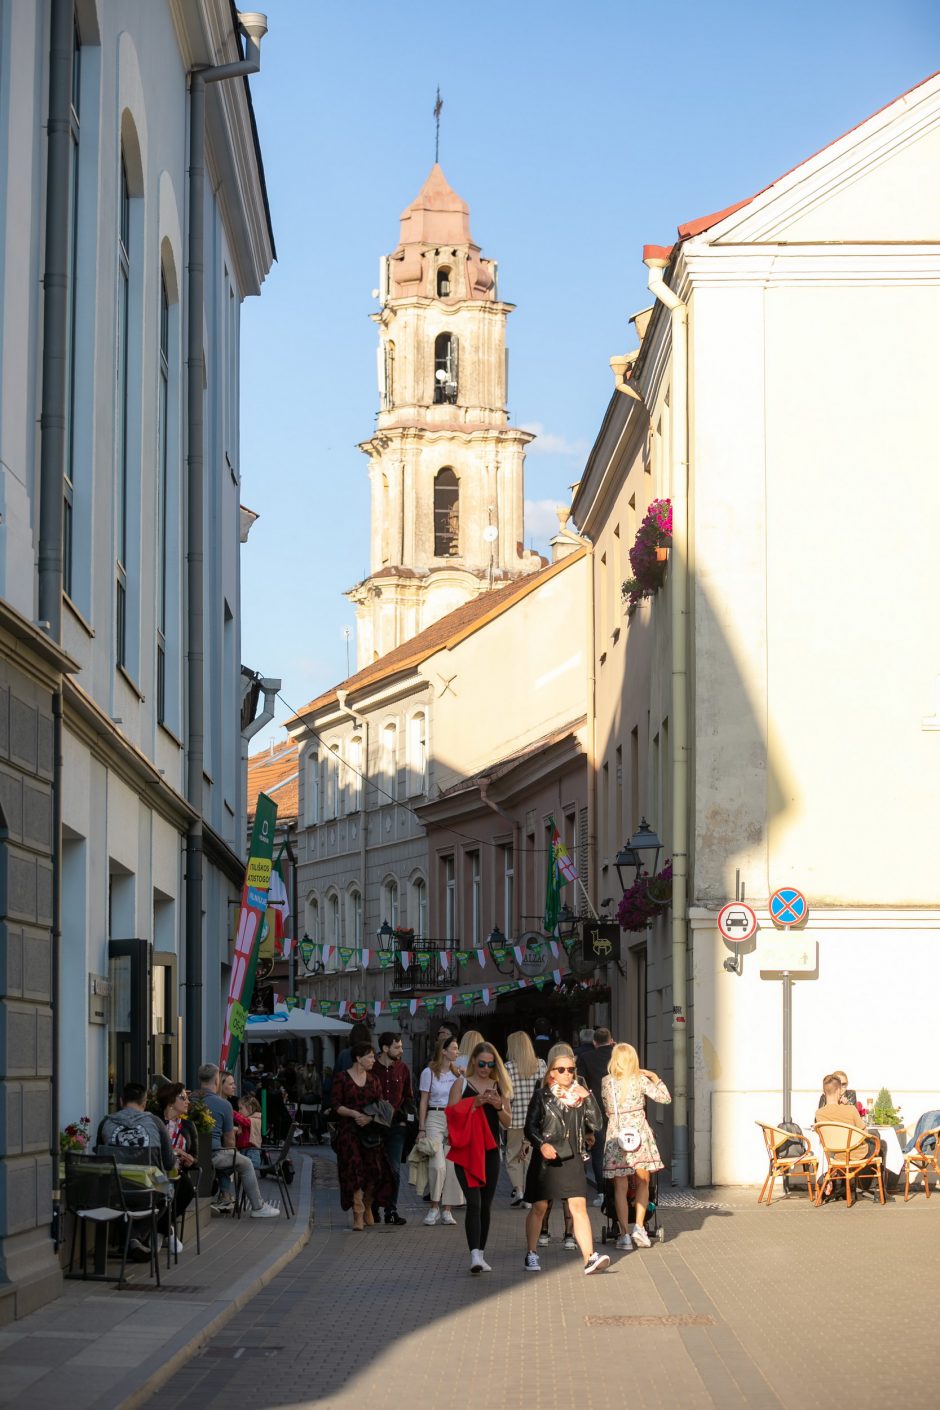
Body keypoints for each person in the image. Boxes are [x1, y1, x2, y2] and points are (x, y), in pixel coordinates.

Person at [522, 1043, 609, 1276]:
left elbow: (597, 1125)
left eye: (571, 1069)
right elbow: (529, 1128)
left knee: (578, 1206)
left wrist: (588, 1098)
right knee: (540, 1207)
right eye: (561, 1070)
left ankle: (589, 1257)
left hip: (572, 1157)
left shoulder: (580, 1095)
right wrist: (543, 1144)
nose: (567, 1074)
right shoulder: (542, 1096)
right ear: (551, 1072)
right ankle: (531, 1253)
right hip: (548, 1158)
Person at [447, 1042, 512, 1274]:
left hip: (491, 1151)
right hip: (466, 1152)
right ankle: (474, 1254)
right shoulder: (461, 1083)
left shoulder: (499, 1086)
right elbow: (451, 1115)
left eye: (490, 1064)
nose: (485, 1068)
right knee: (473, 1202)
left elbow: (507, 1122)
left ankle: (480, 1254)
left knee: (485, 1204)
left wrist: (497, 1106)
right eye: (482, 1063)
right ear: (473, 1060)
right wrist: (473, 1103)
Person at [602, 1042, 671, 1249]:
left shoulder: (606, 1082)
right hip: (639, 1134)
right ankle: (639, 1228)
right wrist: (655, 1077)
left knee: (620, 1187)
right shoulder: (640, 1080)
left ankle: (623, 1234)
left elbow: (607, 1108)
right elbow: (665, 1098)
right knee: (643, 1181)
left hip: (617, 1135)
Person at [195, 1063, 279, 1218]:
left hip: (193, 1155)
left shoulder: (191, 1099)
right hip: (213, 1154)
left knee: (230, 1160)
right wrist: (233, 1152)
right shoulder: (224, 1104)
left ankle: (225, 1196)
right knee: (244, 1162)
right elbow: (229, 1140)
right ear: (217, 1081)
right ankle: (258, 1207)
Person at [330, 1041, 393, 1230]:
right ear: (358, 1058)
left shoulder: (374, 1080)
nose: (374, 1060)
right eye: (370, 1056)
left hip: (370, 1131)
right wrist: (354, 1114)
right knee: (354, 1170)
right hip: (349, 1131)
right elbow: (335, 1104)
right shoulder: (342, 1078)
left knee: (375, 1171)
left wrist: (369, 1117)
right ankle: (357, 1213)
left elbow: (380, 1105)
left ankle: (367, 1204)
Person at [417, 1035, 465, 1225]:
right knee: (438, 1164)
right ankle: (434, 1207)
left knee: (452, 1165)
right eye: (454, 1048)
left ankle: (448, 1209)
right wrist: (421, 1127)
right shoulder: (429, 1072)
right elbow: (423, 1100)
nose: (457, 1051)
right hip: (435, 1117)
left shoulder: (458, 1073)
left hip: (453, 1118)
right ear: (443, 1051)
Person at [371, 1031, 414, 1224]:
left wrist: (407, 1119)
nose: (401, 1050)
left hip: (397, 1126)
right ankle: (373, 1208)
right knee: (375, 1168)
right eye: (397, 1047)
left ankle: (391, 1210)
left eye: (401, 1046)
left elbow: (408, 1096)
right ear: (385, 1048)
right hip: (375, 1126)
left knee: (395, 1169)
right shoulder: (371, 1069)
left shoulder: (403, 1069)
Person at [155, 1083, 198, 1253]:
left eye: (187, 1098)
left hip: (178, 1172)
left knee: (186, 1187)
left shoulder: (188, 1126)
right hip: (157, 1171)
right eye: (183, 1098)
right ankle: (168, 1231)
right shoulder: (155, 1121)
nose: (187, 1102)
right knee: (165, 1186)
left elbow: (197, 1158)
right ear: (170, 1101)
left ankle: (160, 1230)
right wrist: (174, 1151)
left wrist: (190, 1159)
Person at [505, 1030, 546, 1207]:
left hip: (515, 1118)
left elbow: (507, 1094)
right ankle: (529, 1194)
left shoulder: (508, 1067)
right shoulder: (541, 1064)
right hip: (536, 1120)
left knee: (513, 1156)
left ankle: (519, 1190)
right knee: (529, 1157)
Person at [98, 1082, 177, 1173]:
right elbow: (169, 1163)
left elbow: (99, 1159)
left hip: (115, 1185)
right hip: (150, 1185)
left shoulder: (105, 1123)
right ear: (144, 1102)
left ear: (121, 1101)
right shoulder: (156, 1122)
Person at [577, 1026, 616, 1203]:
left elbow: (581, 1084)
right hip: (617, 1109)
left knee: (599, 1151)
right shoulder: (618, 1056)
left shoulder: (586, 1057)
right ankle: (617, 1190)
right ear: (611, 1039)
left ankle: (602, 1192)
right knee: (618, 1150)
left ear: (594, 1042)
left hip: (596, 1110)